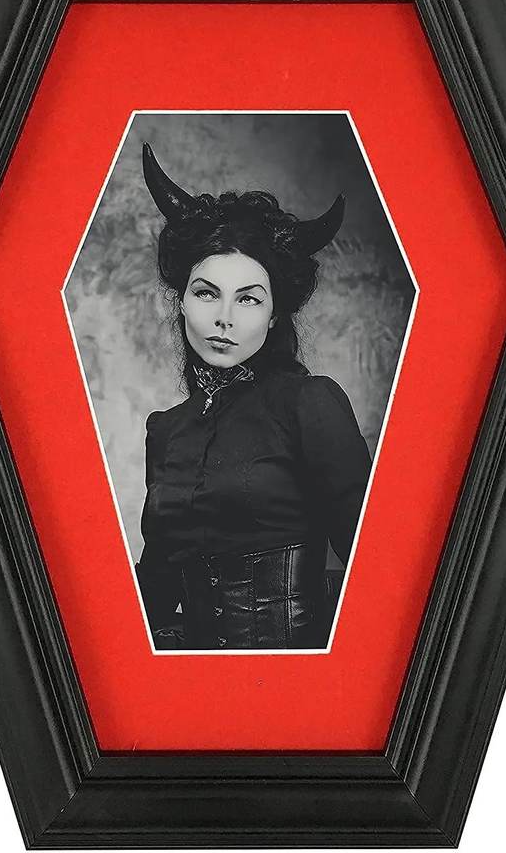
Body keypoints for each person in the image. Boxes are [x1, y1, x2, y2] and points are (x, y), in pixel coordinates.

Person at [135, 142, 372, 650]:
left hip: (294, 680)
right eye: (206, 292)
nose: (224, 318)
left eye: (248, 299)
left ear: (273, 314)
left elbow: (378, 570)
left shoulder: (310, 404)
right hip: (188, 680)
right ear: (182, 301)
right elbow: (155, 584)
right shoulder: (166, 429)